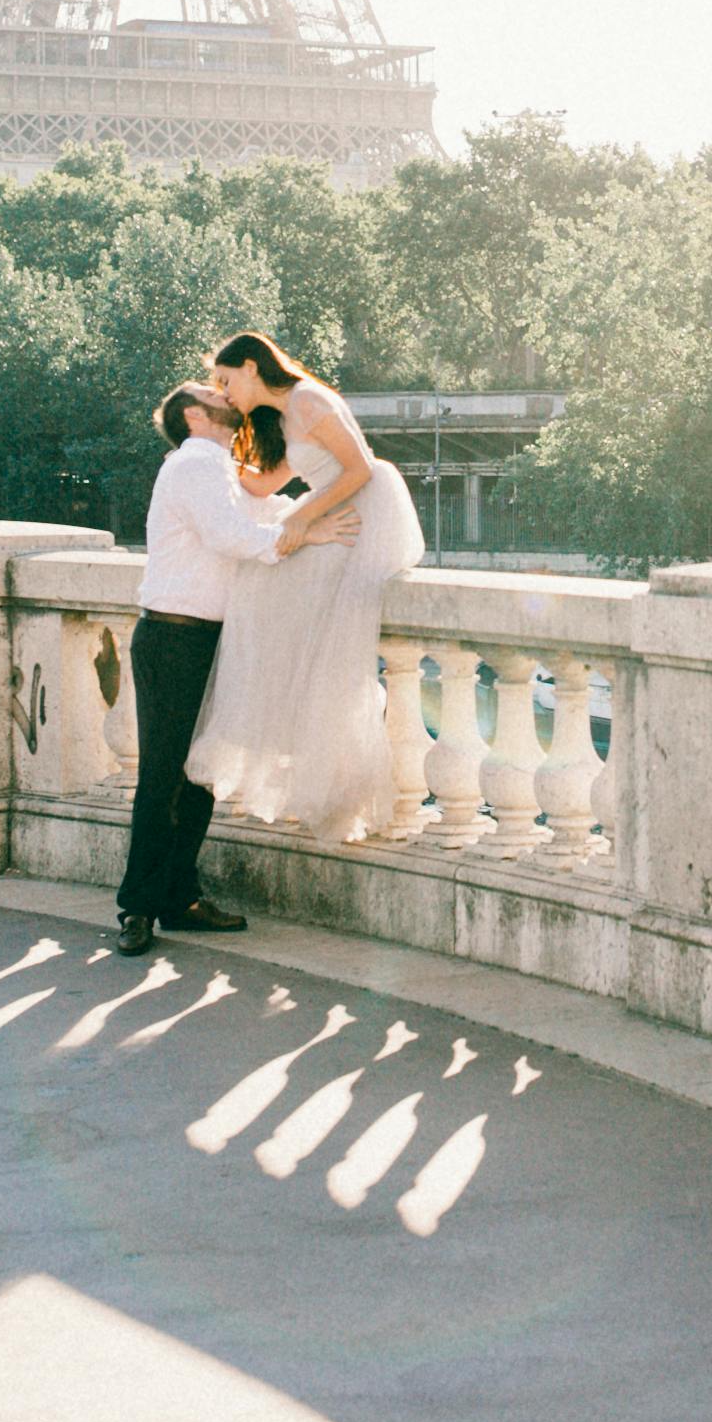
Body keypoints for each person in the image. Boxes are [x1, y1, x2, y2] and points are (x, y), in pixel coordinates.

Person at [114, 383, 355, 956]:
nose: (225, 393)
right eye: (211, 392)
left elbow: (259, 508)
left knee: (197, 775)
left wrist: (324, 496)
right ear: (195, 416)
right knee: (164, 775)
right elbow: (232, 536)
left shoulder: (218, 467)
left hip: (202, 639)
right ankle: (138, 908)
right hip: (174, 637)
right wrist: (309, 532)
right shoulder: (193, 463)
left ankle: (179, 897)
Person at [187, 329, 423, 841]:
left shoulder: (310, 399)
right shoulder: (283, 416)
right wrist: (201, 465)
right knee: (266, 583)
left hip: (364, 509)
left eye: (227, 381)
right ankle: (292, 743)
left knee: (286, 591)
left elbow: (360, 468)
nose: (225, 394)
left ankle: (312, 758)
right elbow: (263, 484)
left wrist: (302, 519)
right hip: (334, 509)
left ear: (251, 366)